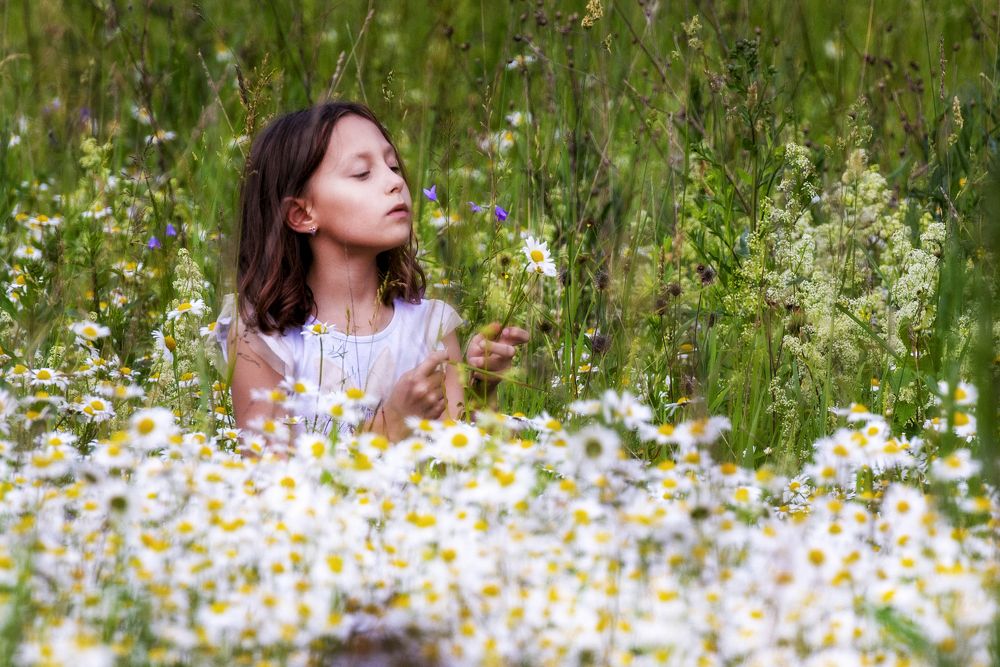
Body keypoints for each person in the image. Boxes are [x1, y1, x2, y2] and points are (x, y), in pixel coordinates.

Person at [215, 101, 529, 445]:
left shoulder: (430, 328)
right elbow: (264, 484)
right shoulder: (263, 336)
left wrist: (483, 389)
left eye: (392, 165)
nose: (394, 181)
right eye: (362, 173)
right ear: (302, 215)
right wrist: (390, 425)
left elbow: (454, 462)